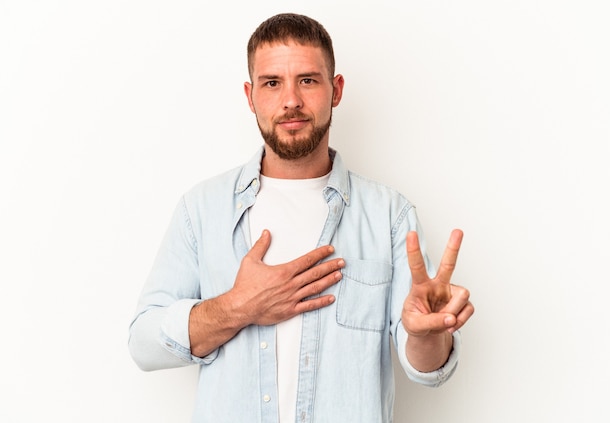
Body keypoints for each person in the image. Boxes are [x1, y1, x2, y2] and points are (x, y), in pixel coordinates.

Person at [128, 12, 474, 423]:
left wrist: (426, 334)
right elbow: (144, 343)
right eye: (272, 83)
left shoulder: (389, 215)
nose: (291, 100)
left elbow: (425, 366)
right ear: (250, 95)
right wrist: (238, 307)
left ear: (336, 89)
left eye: (308, 80)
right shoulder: (201, 210)